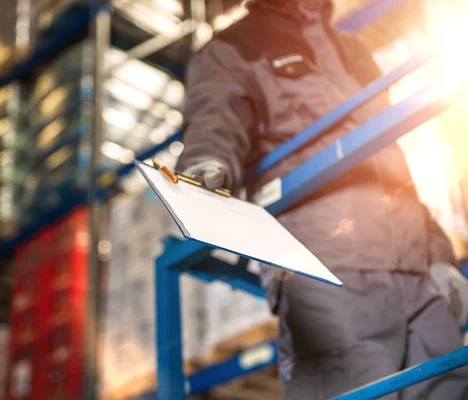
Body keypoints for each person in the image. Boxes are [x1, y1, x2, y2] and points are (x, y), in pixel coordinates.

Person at [175, 0, 468, 398]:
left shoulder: (353, 50)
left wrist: (438, 255)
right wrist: (203, 166)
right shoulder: (234, 47)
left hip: (415, 271)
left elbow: (391, 158)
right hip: (326, 274)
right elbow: (214, 122)